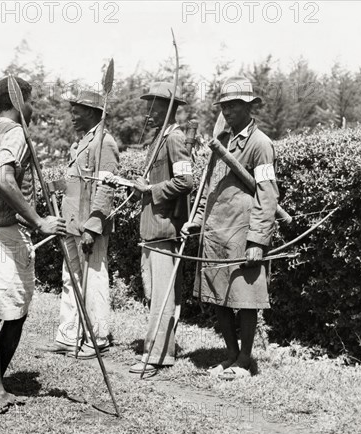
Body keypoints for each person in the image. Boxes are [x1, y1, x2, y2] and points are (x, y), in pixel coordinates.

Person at [0, 76, 67, 415]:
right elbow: (3, 180)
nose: (32, 107)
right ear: (18, 99)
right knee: (16, 312)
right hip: (0, 235)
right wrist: (39, 222)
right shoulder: (15, 133)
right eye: (30, 99)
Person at [182, 76, 278, 380]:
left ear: (250, 107)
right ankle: (231, 355)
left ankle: (245, 360)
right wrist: (196, 220)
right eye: (225, 105)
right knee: (218, 296)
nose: (229, 110)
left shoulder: (260, 144)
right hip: (215, 231)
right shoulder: (221, 143)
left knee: (244, 299)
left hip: (242, 232)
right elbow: (208, 188)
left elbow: (267, 194)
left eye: (235, 105)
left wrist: (257, 241)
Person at [110, 82, 194, 377]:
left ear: (170, 108)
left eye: (156, 105)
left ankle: (155, 356)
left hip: (164, 227)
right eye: (149, 105)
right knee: (158, 293)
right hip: (153, 226)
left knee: (162, 296)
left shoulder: (175, 138)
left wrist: (151, 189)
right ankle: (162, 353)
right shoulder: (159, 139)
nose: (149, 111)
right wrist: (139, 187)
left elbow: (187, 182)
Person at [38, 91, 119, 359]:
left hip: (88, 227)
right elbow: (79, 182)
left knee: (93, 279)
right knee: (70, 278)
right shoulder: (82, 143)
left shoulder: (104, 143)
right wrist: (55, 186)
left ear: (93, 113)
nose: (72, 115)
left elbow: (106, 188)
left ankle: (98, 338)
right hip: (70, 222)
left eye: (78, 110)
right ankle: (69, 335)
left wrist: (93, 228)